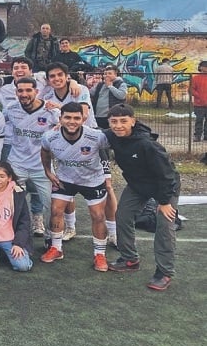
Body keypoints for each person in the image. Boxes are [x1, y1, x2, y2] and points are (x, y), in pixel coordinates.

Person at [104, 104, 180, 291]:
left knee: (164, 225)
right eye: (114, 122)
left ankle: (164, 272)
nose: (118, 125)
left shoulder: (147, 144)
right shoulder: (111, 135)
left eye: (123, 121)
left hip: (164, 186)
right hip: (138, 185)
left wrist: (163, 202)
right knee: (122, 216)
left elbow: (167, 175)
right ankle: (130, 259)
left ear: (133, 121)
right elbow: (87, 131)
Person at [40, 102, 111, 272]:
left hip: (92, 180)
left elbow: (107, 151)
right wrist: (48, 172)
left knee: (98, 215)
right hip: (65, 179)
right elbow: (44, 151)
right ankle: (56, 248)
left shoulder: (96, 136)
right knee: (56, 210)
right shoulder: (50, 136)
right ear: (60, 118)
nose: (72, 121)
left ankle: (99, 254)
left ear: (83, 119)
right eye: (68, 117)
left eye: (76, 118)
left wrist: (107, 174)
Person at [3, 77, 60, 244]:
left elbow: (72, 123)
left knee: (54, 205)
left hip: (42, 167)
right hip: (17, 164)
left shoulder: (51, 111)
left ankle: (53, 241)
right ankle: (12, 237)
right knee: (11, 204)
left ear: (36, 91)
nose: (24, 94)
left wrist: (60, 125)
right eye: (20, 91)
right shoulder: (11, 109)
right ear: (16, 93)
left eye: (28, 90)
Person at [90, 64, 127, 129]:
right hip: (97, 115)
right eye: (105, 73)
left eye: (110, 73)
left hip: (112, 116)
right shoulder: (100, 84)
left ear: (115, 75)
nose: (107, 75)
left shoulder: (121, 84)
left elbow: (121, 96)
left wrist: (110, 86)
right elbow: (90, 93)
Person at [190, 61, 207, 142]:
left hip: (202, 103)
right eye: (204, 66)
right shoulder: (195, 78)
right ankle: (197, 136)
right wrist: (199, 96)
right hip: (199, 104)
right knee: (199, 120)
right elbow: (191, 90)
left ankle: (206, 136)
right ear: (200, 68)